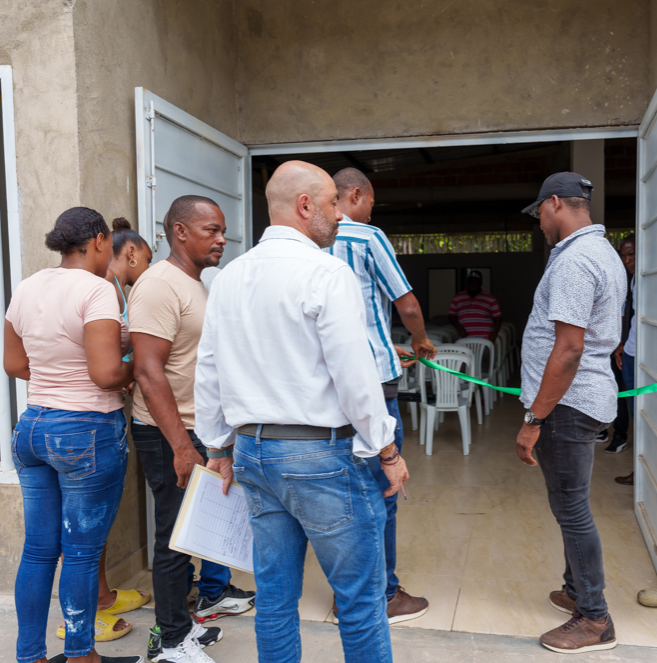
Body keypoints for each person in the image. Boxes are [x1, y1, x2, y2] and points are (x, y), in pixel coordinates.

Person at [196, 161, 409, 662]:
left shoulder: (229, 278)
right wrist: (387, 447)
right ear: (305, 205)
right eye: (333, 202)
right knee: (359, 601)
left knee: (274, 598)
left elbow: (208, 371)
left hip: (253, 453)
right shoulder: (326, 272)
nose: (339, 214)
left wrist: (217, 447)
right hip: (322, 457)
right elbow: (356, 377)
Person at [4, 207, 141, 663]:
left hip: (32, 428)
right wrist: (135, 372)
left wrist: (56, 377)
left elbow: (14, 364)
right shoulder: (96, 290)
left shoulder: (27, 286)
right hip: (84, 429)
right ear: (101, 241)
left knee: (40, 551)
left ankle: (31, 656)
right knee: (81, 553)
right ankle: (82, 656)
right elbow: (105, 375)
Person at [129, 196, 255, 663]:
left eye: (222, 230)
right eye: (211, 230)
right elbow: (147, 370)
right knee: (174, 538)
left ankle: (180, 626)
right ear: (180, 232)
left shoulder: (196, 284)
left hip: (196, 430)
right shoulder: (160, 285)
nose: (221, 239)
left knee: (195, 535)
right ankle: (169, 643)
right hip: (170, 434)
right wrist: (182, 446)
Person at [515, 172, 626, 654]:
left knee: (571, 508)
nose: (539, 221)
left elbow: (569, 349)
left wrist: (534, 419)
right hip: (582, 398)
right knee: (570, 503)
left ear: (555, 203)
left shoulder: (576, 261)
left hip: (568, 403)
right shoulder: (600, 253)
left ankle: (594, 618)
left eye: (539, 211)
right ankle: (577, 591)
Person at [327, 167, 434, 624]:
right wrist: (423, 340)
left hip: (326, 388)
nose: (372, 210)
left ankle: (345, 590)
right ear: (355, 194)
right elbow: (404, 302)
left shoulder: (311, 241)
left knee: (340, 492)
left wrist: (388, 345)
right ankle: (383, 594)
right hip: (372, 383)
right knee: (384, 489)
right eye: (370, 201)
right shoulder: (366, 237)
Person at [52, 218, 155, 644]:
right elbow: (108, 364)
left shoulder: (105, 286)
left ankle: (103, 596)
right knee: (83, 530)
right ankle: (86, 617)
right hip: (86, 419)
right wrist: (142, 361)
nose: (148, 270)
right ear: (128, 253)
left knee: (92, 525)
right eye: (147, 261)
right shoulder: (103, 287)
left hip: (64, 420)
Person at [606, 235, 636, 464]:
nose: (626, 260)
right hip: (624, 347)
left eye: (631, 254)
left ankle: (622, 435)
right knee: (617, 391)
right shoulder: (627, 279)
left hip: (636, 350)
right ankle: (617, 432)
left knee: (635, 401)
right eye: (623, 256)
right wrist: (620, 343)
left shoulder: (648, 278)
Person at [448, 270, 502, 340]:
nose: (473, 284)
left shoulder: (490, 298)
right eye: (471, 282)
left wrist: (494, 336)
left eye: (476, 282)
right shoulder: (458, 297)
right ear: (467, 283)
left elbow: (498, 318)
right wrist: (459, 328)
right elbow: (451, 316)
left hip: (484, 339)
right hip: (464, 339)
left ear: (481, 283)